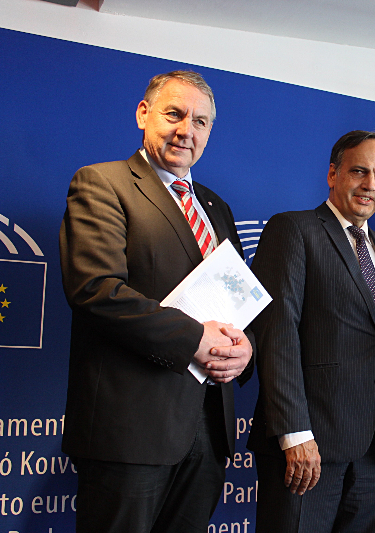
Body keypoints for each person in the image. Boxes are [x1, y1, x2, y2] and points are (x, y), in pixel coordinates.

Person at [59, 70, 254, 533]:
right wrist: (195, 340)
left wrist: (244, 347)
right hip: (130, 433)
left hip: (208, 433)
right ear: (143, 114)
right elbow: (96, 291)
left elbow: (234, 303)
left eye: (201, 121)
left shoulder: (217, 208)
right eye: (175, 114)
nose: (188, 130)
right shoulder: (102, 184)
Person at [246, 130, 375, 533]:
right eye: (359, 171)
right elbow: (277, 334)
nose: (370, 184)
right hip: (310, 447)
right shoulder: (293, 230)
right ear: (333, 174)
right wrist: (294, 434)